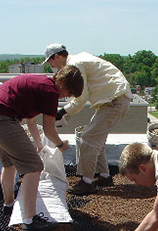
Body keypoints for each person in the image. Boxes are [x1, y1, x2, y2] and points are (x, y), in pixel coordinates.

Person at [0, 65, 84, 231]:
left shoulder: (40, 84)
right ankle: (30, 220)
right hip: (0, 120)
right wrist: (60, 145)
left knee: (9, 163)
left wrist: (38, 144)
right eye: (69, 91)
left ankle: (8, 205)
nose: (68, 96)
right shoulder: (50, 91)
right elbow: (49, 129)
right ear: (62, 81)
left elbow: (30, 119)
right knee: (34, 167)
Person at [42, 43, 133, 195]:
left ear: (57, 56)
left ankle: (87, 182)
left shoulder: (75, 65)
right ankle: (104, 176)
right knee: (97, 140)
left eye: (50, 61)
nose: (51, 66)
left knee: (88, 137)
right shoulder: (78, 60)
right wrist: (65, 113)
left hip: (115, 100)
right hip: (113, 100)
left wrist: (63, 112)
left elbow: (81, 97)